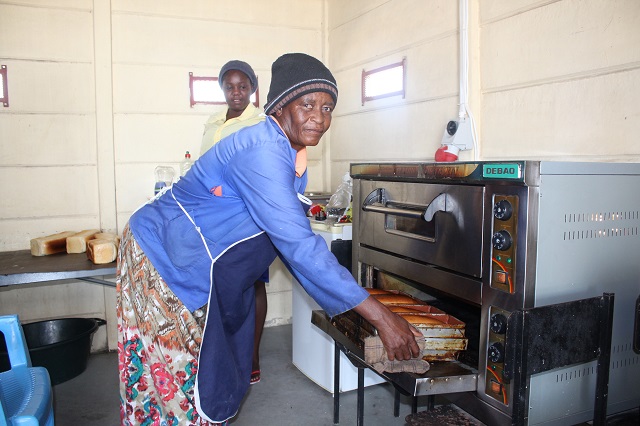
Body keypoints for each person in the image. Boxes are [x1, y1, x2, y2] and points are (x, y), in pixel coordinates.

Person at [116, 53, 422, 426]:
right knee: (171, 379)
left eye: (328, 108)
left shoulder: (291, 156)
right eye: (307, 104)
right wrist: (383, 318)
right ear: (279, 107)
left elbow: (287, 245)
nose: (319, 117)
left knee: (202, 372)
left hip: (196, 258)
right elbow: (299, 246)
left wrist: (354, 308)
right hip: (161, 255)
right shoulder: (260, 150)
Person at [199, 60, 267, 386]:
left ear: (252, 88)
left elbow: (258, 170)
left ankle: (252, 355)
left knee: (253, 282)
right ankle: (225, 350)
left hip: (245, 215)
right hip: (213, 217)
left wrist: (226, 187)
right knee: (220, 282)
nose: (236, 92)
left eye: (243, 86)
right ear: (222, 88)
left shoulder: (259, 122)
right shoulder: (212, 121)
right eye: (230, 86)